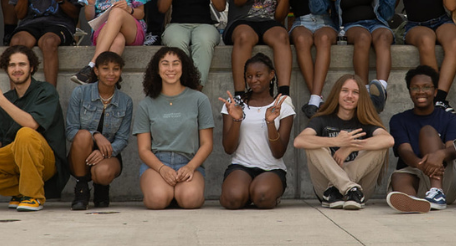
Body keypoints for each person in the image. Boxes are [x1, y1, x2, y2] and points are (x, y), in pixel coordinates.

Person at [0, 46, 69, 212]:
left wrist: (0, 100)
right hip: (16, 158)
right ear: (6, 69)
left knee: (25, 134)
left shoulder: (46, 91)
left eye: (22, 64)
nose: (17, 69)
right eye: (12, 65)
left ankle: (33, 196)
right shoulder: (6, 99)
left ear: (31, 67)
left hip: (46, 162)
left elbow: (31, 124)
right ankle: (22, 190)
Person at [307, 0, 400, 113]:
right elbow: (318, 9)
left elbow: (386, 13)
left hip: (376, 23)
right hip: (350, 26)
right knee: (363, 37)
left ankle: (380, 90)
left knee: (384, 35)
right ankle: (364, 90)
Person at [293, 74, 393, 209]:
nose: (350, 96)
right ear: (337, 94)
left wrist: (351, 146)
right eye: (345, 91)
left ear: (361, 97)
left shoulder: (365, 120)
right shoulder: (322, 119)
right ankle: (348, 187)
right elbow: (299, 141)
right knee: (313, 144)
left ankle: (343, 187)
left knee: (379, 145)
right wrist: (336, 141)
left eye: (355, 92)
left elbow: (388, 139)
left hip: (361, 189)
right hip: (326, 189)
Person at [134, 46, 214, 210]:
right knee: (157, 200)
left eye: (176, 63)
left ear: (183, 68)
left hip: (189, 162)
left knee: (190, 200)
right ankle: (166, 192)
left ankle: (179, 193)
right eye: (165, 64)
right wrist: (162, 169)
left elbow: (207, 143)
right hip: (157, 164)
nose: (171, 69)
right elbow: (143, 149)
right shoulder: (146, 104)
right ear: (157, 69)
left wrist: (190, 167)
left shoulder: (199, 100)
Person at [219, 54, 295, 210]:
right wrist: (237, 120)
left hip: (272, 168)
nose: (253, 80)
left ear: (271, 75)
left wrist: (270, 122)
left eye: (258, 75)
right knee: (232, 199)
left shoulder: (283, 107)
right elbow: (228, 148)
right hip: (241, 166)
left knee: (262, 197)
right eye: (249, 76)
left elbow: (278, 152)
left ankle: (258, 193)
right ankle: (245, 193)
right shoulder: (234, 105)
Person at [277, 0, 337, 118]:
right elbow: (280, 15)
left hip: (324, 20)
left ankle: (314, 100)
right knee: (301, 40)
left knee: (323, 39)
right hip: (301, 22)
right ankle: (317, 99)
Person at [386, 65, 456, 214]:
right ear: (409, 92)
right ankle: (412, 201)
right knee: (398, 176)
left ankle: (437, 191)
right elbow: (404, 151)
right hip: (417, 173)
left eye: (426, 87)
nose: (421, 92)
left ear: (435, 91)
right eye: (415, 88)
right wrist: (423, 165)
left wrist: (439, 155)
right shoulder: (398, 120)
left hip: (445, 178)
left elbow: (453, 149)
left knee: (427, 132)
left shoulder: (449, 118)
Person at [66, 51, 134, 211]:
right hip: (80, 152)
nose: (111, 73)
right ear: (96, 71)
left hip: (109, 153)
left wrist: (104, 153)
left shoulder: (125, 101)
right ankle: (81, 188)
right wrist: (95, 135)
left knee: (103, 172)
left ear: (120, 71)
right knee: (83, 135)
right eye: (105, 68)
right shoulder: (80, 93)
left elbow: (122, 139)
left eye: (116, 69)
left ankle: (101, 188)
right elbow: (70, 131)